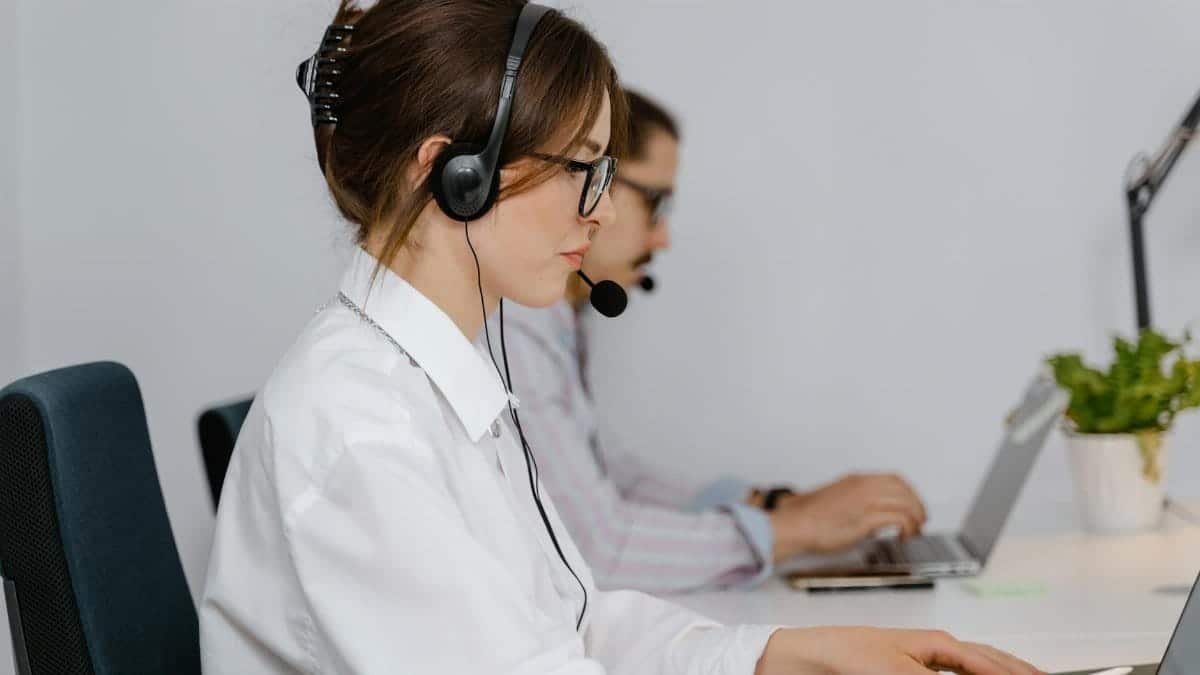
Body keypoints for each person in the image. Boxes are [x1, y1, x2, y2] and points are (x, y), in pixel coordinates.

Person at [200, 1, 1040, 673]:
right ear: (452, 176)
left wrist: (791, 652)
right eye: (582, 169)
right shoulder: (363, 429)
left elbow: (575, 621)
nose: (600, 211)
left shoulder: (442, 379)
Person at [497, 89, 929, 592]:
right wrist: (794, 529)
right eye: (654, 203)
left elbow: (610, 476)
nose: (662, 238)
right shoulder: (512, 326)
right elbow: (598, 550)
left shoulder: (555, 320)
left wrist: (771, 506)